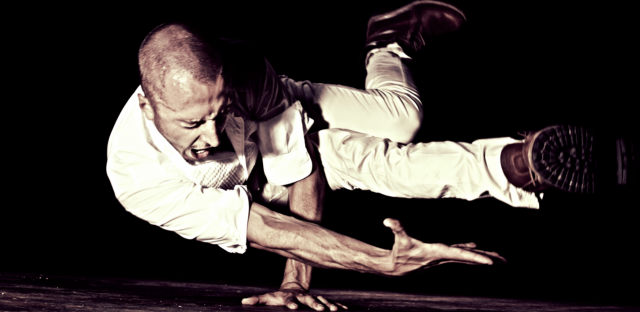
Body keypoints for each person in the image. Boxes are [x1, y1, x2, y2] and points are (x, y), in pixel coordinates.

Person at [107, 1, 604, 310]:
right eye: (192, 124)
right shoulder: (137, 177)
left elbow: (301, 169)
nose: (212, 134)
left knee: (401, 126)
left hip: (284, 116)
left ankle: (390, 48)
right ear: (148, 104)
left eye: (220, 112)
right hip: (255, 184)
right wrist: (383, 262)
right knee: (393, 146)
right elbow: (264, 227)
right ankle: (510, 165)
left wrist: (295, 282)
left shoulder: (242, 71)